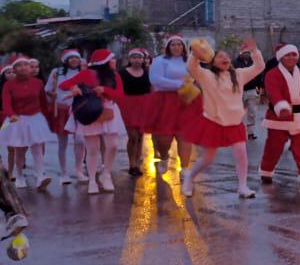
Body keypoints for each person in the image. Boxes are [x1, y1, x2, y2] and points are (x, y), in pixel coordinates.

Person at [182, 38, 265, 199]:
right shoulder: (206, 75)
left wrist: (254, 51)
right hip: (213, 122)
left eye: (227, 56)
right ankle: (190, 178)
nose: (225, 59)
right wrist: (195, 54)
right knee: (207, 158)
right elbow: (192, 67)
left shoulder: (239, 75)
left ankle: (242, 186)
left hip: (234, 123)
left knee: (241, 153)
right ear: (213, 62)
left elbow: (259, 67)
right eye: (220, 57)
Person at [60, 49, 126, 195]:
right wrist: (74, 87)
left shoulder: (115, 76)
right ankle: (92, 180)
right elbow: (63, 85)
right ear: (104, 62)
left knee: (113, 145)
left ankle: (106, 174)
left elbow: (120, 95)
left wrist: (104, 90)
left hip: (109, 111)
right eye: (111, 59)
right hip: (90, 111)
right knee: (92, 149)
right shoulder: (86, 74)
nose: (114, 61)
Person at [260, 43, 300, 188]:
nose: (291, 58)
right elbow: (273, 93)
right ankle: (266, 171)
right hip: (278, 117)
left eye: (293, 55)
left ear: (298, 57)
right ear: (280, 58)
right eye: (287, 55)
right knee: (274, 146)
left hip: (298, 116)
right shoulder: (272, 74)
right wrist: (281, 106)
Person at [0, 57, 56, 191]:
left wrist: (48, 115)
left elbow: (42, 101)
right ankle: (19, 175)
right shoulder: (9, 85)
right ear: (14, 69)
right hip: (18, 119)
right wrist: (11, 114)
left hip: (35, 118)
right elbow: (6, 102)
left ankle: (40, 176)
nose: (23, 67)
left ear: (30, 68)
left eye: (26, 65)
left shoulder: (37, 83)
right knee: (20, 150)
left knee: (37, 148)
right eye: (19, 65)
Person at [149, 35, 198, 174]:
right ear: (168, 47)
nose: (176, 47)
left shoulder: (190, 61)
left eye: (179, 44)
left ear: (184, 47)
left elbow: (196, 76)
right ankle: (164, 156)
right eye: (173, 45)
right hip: (165, 101)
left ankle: (185, 168)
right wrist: (178, 84)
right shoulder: (159, 61)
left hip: (185, 99)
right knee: (164, 137)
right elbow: (155, 79)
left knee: (185, 135)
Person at [46, 48, 87, 184]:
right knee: (62, 143)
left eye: (76, 58)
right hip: (62, 109)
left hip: (79, 109)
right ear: (66, 60)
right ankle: (64, 173)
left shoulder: (84, 72)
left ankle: (79, 170)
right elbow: (47, 90)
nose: (74, 60)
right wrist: (53, 95)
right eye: (71, 58)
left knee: (80, 141)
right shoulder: (56, 73)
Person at [118, 48, 154, 177]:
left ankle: (137, 164)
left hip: (144, 105)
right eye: (134, 57)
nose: (137, 60)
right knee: (132, 136)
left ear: (143, 59)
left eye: (139, 57)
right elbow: (117, 89)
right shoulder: (122, 73)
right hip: (128, 105)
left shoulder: (147, 72)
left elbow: (152, 89)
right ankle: (131, 163)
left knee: (140, 136)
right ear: (129, 59)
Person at [234, 49, 260, 140]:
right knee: (238, 113)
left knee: (252, 112)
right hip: (239, 91)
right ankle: (238, 132)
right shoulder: (234, 63)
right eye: (245, 52)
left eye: (248, 52)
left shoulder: (253, 62)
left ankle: (250, 133)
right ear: (240, 53)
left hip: (252, 90)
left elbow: (259, 74)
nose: (247, 54)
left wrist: (259, 86)